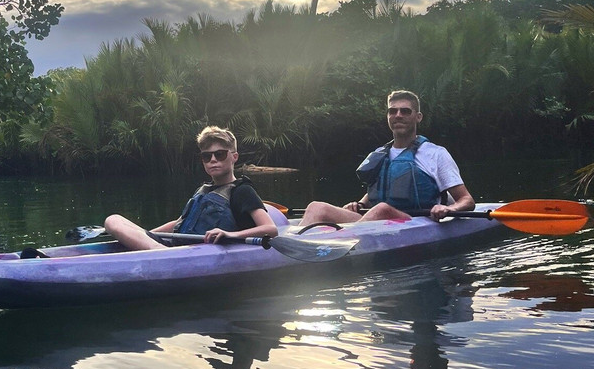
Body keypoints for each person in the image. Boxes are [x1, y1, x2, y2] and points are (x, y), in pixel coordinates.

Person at [300, 90, 474, 226]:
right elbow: (378, 189)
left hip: (416, 221)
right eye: (393, 111)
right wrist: (359, 204)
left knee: (382, 209)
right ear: (388, 116)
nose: (398, 115)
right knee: (316, 207)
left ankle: (344, 241)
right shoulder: (380, 154)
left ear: (418, 117)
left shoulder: (436, 154)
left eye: (405, 111)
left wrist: (448, 208)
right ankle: (289, 246)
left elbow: (466, 200)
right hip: (376, 221)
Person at [104, 126, 278, 251]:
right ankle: (157, 250)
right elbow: (179, 222)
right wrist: (144, 234)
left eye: (220, 154)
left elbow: (270, 229)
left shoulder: (242, 191)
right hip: (175, 247)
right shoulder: (203, 190)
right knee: (113, 220)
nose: (213, 160)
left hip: (197, 251)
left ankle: (160, 254)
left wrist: (229, 234)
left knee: (117, 223)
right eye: (206, 156)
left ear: (234, 157)